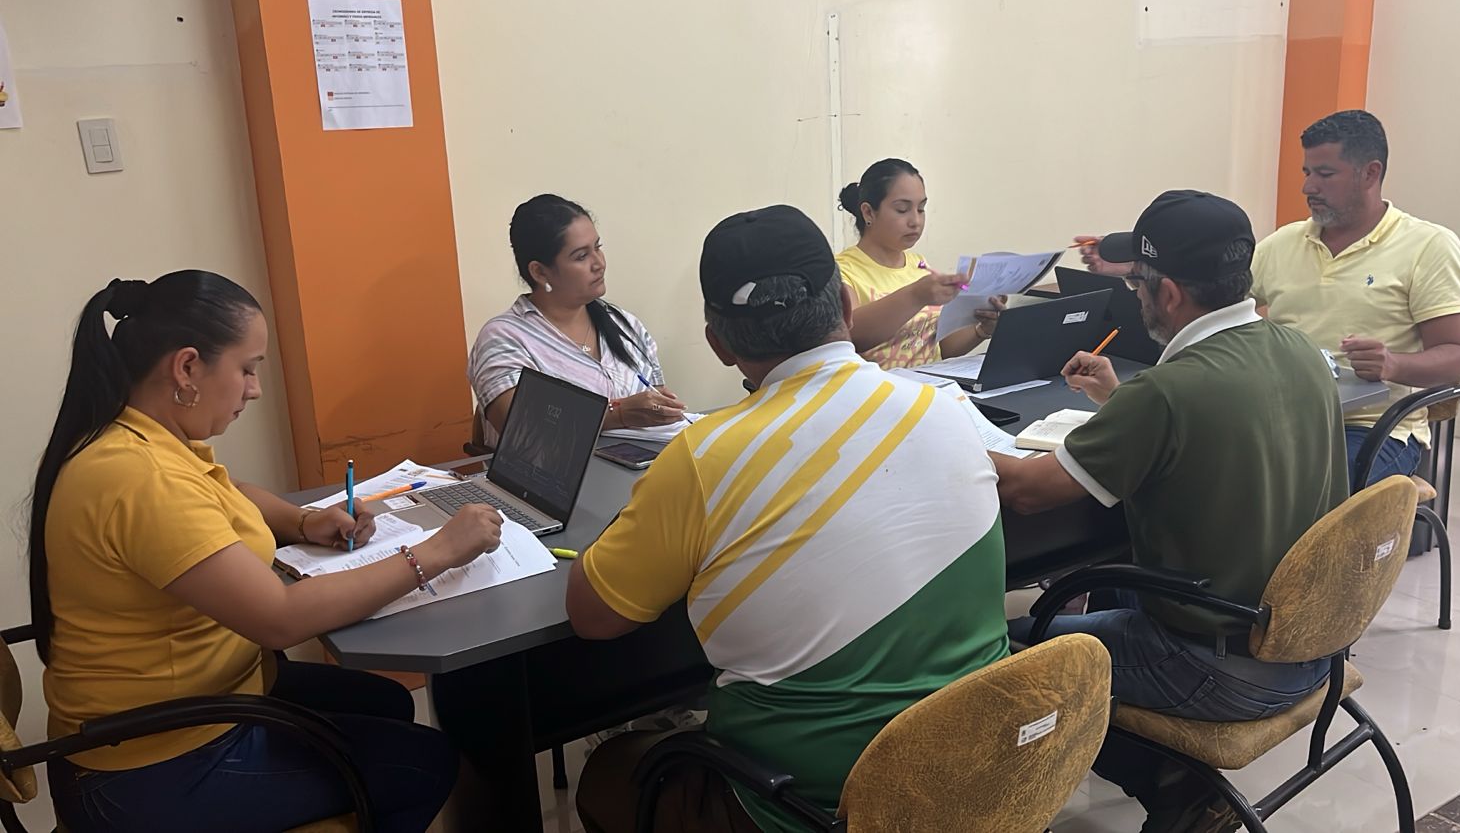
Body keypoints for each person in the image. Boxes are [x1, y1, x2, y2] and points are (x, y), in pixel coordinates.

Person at [568, 205, 1011, 832]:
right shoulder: (945, 409)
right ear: (848, 310)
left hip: (805, 804)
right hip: (979, 771)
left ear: (718, 344)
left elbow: (594, 616)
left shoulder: (702, 457)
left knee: (611, 770)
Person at [30, 271, 504, 833]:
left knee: (387, 703)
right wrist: (436, 552)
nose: (254, 390)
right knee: (423, 765)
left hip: (204, 699)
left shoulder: (140, 437)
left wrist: (301, 520)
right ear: (187, 368)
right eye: (247, 369)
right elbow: (279, 619)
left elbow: (225, 491)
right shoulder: (138, 477)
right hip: (151, 766)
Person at [996, 191, 1347, 832]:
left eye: (1137, 284)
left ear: (1170, 294)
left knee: (999, 653)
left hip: (1217, 666)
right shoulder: (1299, 350)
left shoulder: (1168, 391)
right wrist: (1121, 402)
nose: (1135, 297)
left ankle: (1172, 788)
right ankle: (1177, 785)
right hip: (1312, 645)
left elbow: (1025, 491)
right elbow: (1222, 434)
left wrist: (932, 429)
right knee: (1095, 609)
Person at [1075, 111, 1460, 488]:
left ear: (1370, 173)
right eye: (1306, 172)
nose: (1308, 187)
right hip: (1273, 417)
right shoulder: (1285, 243)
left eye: (1325, 174)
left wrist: (1393, 364)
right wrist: (1143, 271)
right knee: (1184, 475)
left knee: (1279, 493)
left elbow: (1456, 355)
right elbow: (1212, 301)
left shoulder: (1429, 247)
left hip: (1368, 426)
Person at [468, 193, 685, 446]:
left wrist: (661, 410)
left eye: (598, 247)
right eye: (581, 256)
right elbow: (521, 425)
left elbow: (657, 407)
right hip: (551, 472)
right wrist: (617, 415)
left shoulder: (625, 325)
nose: (599, 263)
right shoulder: (504, 338)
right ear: (540, 272)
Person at [835, 158, 1005, 369]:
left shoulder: (919, 265)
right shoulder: (843, 271)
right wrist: (916, 295)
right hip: (880, 388)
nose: (915, 221)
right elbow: (849, 335)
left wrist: (982, 330)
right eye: (902, 210)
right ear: (868, 212)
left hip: (932, 383)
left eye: (921, 209)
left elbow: (938, 349)